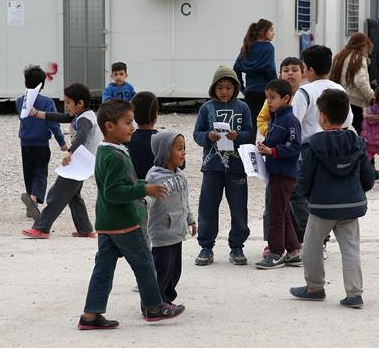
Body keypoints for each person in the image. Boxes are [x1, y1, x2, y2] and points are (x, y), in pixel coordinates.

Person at [78, 100, 184, 329]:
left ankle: (90, 314)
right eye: (127, 122)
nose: (133, 126)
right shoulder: (115, 157)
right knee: (145, 263)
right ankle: (154, 307)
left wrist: (142, 183)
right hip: (124, 223)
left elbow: (122, 183)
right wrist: (144, 189)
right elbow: (114, 192)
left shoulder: (107, 151)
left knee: (103, 269)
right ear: (109, 126)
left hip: (107, 223)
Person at [289, 89, 374, 309]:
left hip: (322, 206)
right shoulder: (357, 142)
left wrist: (306, 195)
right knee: (350, 249)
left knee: (312, 247)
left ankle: (314, 287)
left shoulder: (312, 144)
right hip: (351, 205)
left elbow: (305, 177)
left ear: (322, 116)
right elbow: (368, 176)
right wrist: (360, 192)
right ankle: (354, 294)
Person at [290, 45, 353, 245]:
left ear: (308, 69)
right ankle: (321, 241)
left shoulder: (304, 92)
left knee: (299, 196)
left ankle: (312, 241)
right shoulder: (339, 88)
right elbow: (348, 120)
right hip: (335, 151)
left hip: (308, 153)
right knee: (323, 198)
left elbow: (293, 123)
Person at [192, 66, 254, 266]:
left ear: (235, 88)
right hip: (212, 167)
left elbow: (250, 134)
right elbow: (197, 134)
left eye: (228, 87)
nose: (224, 91)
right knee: (208, 208)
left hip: (237, 166)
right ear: (213, 88)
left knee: (238, 208)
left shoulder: (243, 108)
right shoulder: (206, 108)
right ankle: (206, 246)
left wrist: (239, 136)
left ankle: (237, 247)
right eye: (220, 87)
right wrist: (208, 137)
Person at [22, 83, 100, 239]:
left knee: (56, 194)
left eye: (68, 102)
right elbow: (62, 117)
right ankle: (85, 229)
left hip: (78, 164)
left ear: (80, 103)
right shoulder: (83, 115)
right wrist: (36, 113)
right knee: (73, 196)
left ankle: (41, 228)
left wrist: (70, 152)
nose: (66, 105)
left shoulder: (85, 119)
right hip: (83, 163)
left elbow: (81, 135)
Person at [256, 56, 304, 255]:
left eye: (273, 98)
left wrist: (272, 151)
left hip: (285, 174)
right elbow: (272, 139)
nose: (269, 101)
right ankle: (293, 250)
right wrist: (264, 146)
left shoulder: (290, 120)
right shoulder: (275, 119)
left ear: (285, 99)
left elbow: (294, 147)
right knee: (283, 212)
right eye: (267, 98)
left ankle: (276, 252)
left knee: (276, 213)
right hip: (275, 173)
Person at [145, 130, 197, 303]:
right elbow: (149, 199)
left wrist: (190, 219)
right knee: (162, 270)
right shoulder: (154, 176)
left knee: (175, 270)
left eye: (184, 148)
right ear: (165, 152)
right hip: (162, 233)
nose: (183, 152)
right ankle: (155, 302)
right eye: (179, 148)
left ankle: (168, 299)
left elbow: (184, 200)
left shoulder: (180, 175)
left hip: (177, 231)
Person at [16, 65, 68, 220]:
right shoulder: (47, 102)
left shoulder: (19, 101)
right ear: (42, 85)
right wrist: (62, 143)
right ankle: (33, 199)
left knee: (29, 173)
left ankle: (31, 203)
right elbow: (53, 125)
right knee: (40, 172)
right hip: (41, 144)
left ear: (26, 83)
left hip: (25, 143)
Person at [233, 18, 277, 132]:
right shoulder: (269, 47)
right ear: (263, 31)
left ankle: (248, 149)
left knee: (251, 125)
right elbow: (270, 70)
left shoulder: (247, 47)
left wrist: (242, 88)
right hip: (267, 92)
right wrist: (277, 87)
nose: (274, 33)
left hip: (250, 92)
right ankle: (269, 148)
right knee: (272, 123)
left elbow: (236, 68)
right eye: (271, 30)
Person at [331, 32, 374, 137]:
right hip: (354, 99)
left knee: (339, 127)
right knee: (363, 131)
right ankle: (364, 151)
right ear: (362, 46)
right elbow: (360, 80)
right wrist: (371, 96)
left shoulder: (340, 55)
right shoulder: (358, 58)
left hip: (339, 96)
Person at [127, 91, 160, 179]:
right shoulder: (162, 140)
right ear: (156, 114)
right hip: (157, 187)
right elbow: (181, 165)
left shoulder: (126, 139)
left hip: (133, 187)